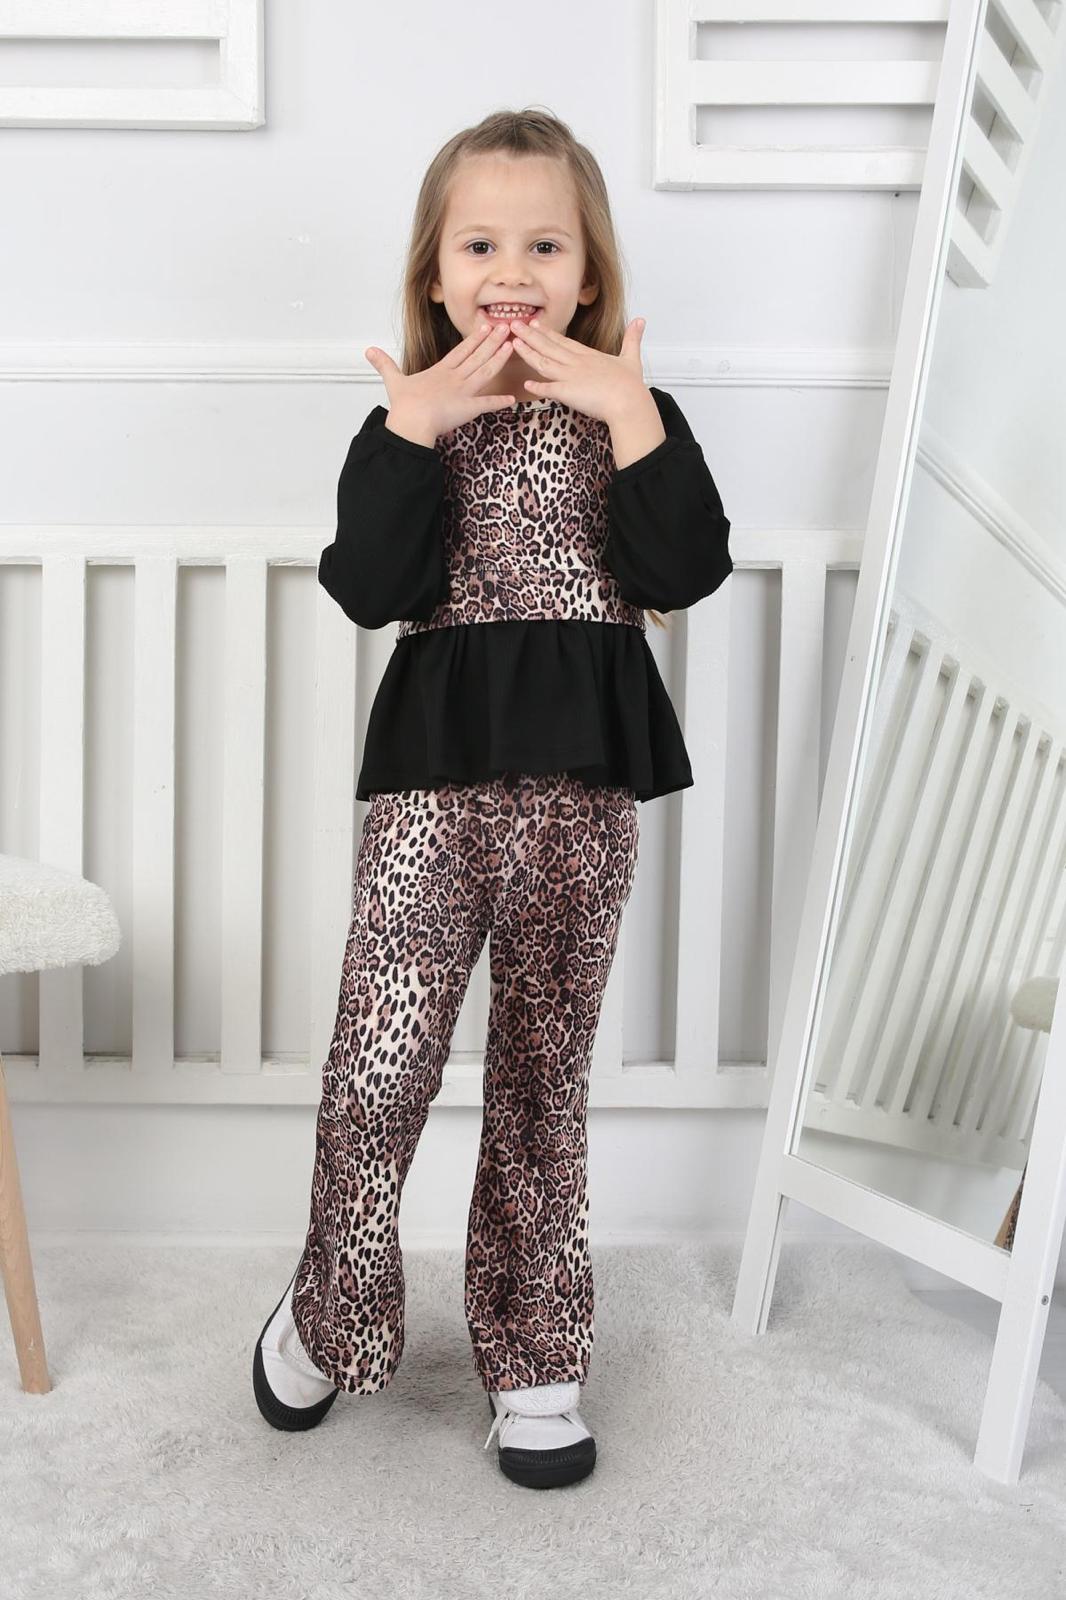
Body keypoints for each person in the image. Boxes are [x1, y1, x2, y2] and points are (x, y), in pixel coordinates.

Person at [252, 107, 732, 1490]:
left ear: (588, 274)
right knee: (378, 1067)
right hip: (432, 793)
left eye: (543, 247)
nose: (510, 272)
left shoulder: (632, 420)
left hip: (580, 799)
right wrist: (410, 428)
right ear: (435, 270)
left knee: (540, 1081)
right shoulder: (405, 420)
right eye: (479, 246)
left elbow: (685, 568)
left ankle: (535, 1360)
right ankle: (329, 1311)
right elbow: (370, 590)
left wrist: (630, 412)